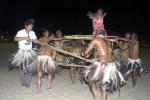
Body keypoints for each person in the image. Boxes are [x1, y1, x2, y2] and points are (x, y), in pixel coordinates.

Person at [11, 19, 38, 87]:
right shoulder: (20, 32)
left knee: (30, 67)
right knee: (22, 68)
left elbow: (35, 40)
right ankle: (23, 81)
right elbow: (15, 39)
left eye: (32, 26)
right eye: (30, 26)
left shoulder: (32, 33)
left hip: (30, 52)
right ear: (26, 26)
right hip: (22, 52)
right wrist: (25, 37)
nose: (31, 27)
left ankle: (28, 83)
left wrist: (36, 41)